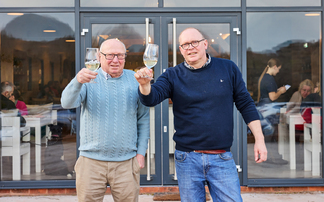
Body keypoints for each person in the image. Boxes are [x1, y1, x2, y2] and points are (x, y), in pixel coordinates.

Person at [135, 28, 267, 202]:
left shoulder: (228, 68)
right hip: (187, 158)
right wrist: (144, 85)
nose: (190, 48)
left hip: (221, 157)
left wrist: (259, 139)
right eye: (185, 45)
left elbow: (246, 104)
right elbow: (151, 98)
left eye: (194, 43)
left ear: (205, 44)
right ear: (180, 50)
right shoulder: (172, 75)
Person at [61, 39, 150, 202]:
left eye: (120, 55)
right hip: (90, 163)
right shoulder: (87, 79)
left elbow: (143, 118)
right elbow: (67, 103)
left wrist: (141, 153)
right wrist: (77, 81)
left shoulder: (135, 79)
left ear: (125, 57)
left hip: (126, 162)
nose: (115, 60)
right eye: (110, 55)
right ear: (99, 57)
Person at [257, 58, 287, 165]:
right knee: (271, 135)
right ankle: (271, 159)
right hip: (269, 110)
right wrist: (281, 91)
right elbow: (273, 97)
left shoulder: (264, 78)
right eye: (278, 69)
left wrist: (278, 90)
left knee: (268, 135)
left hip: (264, 109)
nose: (278, 71)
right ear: (274, 67)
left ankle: (270, 158)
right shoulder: (269, 79)